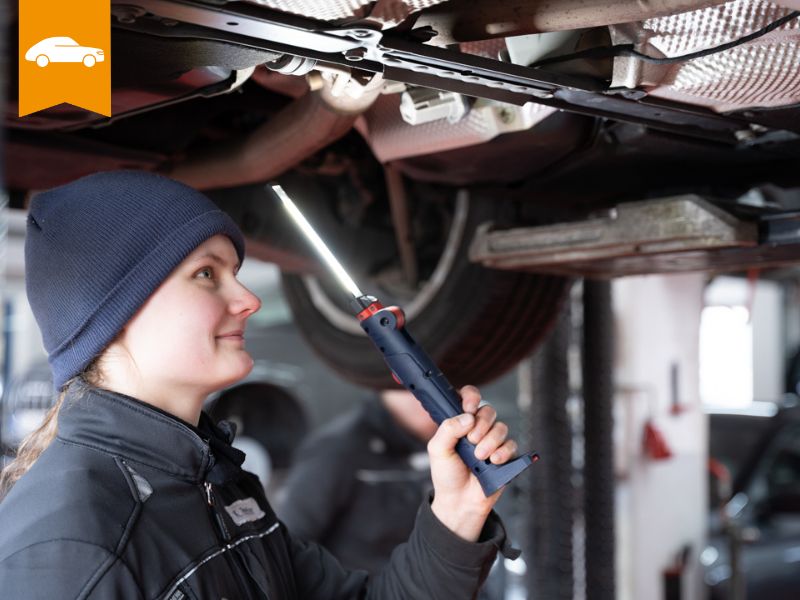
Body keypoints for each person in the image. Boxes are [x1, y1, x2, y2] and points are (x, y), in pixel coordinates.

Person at [0, 171, 520, 599]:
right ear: (112, 310)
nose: (249, 300)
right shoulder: (69, 551)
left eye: (235, 272)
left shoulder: (218, 483)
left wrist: (456, 511)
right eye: (207, 274)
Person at [277, 389, 437, 574]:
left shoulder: (450, 443)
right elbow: (290, 541)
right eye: (415, 390)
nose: (430, 400)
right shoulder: (337, 449)